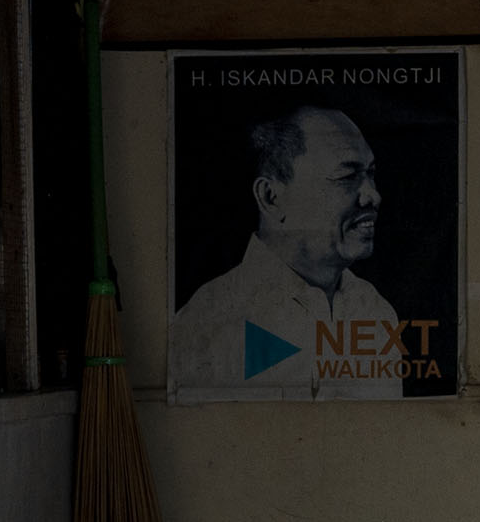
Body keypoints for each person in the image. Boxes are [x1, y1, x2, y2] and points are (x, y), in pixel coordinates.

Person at [168, 103, 414, 398]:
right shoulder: (208, 324)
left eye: (371, 173)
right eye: (347, 176)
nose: (373, 195)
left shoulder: (376, 312)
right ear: (271, 198)